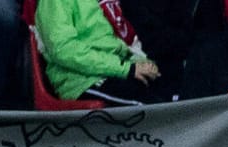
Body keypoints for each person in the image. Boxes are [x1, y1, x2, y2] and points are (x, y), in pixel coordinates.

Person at [35, 0, 174, 102]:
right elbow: (64, 51)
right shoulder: (53, 2)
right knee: (153, 109)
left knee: (173, 88)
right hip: (80, 81)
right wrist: (126, 69)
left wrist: (143, 64)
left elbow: (118, 44)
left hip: (113, 69)